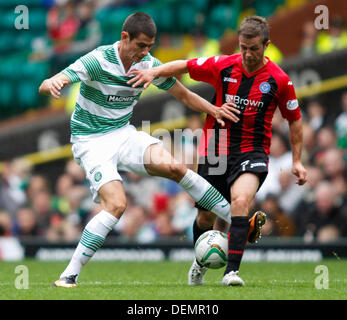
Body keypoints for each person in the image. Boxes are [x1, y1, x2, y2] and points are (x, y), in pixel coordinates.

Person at [38, 12, 242, 288]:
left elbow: (183, 94)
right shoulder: (98, 60)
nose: (145, 53)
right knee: (117, 204)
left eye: (150, 46)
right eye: (141, 45)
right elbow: (52, 81)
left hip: (122, 133)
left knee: (176, 167)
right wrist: (53, 82)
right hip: (91, 141)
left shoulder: (147, 64)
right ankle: (68, 275)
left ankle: (239, 221)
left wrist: (213, 109)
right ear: (125, 38)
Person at [128, 15, 308, 287]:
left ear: (266, 45)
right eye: (243, 47)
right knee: (205, 216)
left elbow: (295, 120)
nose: (247, 54)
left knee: (239, 203)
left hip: (253, 151)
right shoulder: (225, 65)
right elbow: (186, 66)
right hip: (215, 150)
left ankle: (231, 272)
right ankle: (200, 261)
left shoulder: (279, 80)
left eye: (254, 49)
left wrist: (297, 161)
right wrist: (154, 72)